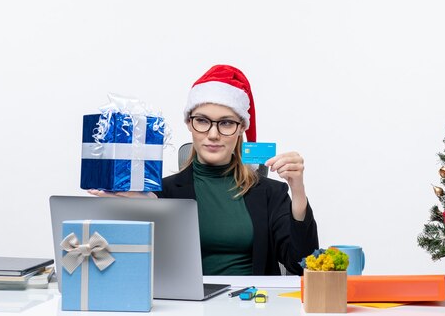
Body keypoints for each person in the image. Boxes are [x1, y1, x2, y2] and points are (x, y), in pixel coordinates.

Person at [89, 64, 318, 275]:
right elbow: (133, 266)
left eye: (226, 123)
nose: (213, 134)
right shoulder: (162, 193)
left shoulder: (271, 193)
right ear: (189, 123)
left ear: (241, 129)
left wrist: (298, 191)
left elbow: (302, 265)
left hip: (252, 305)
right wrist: (133, 209)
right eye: (202, 120)